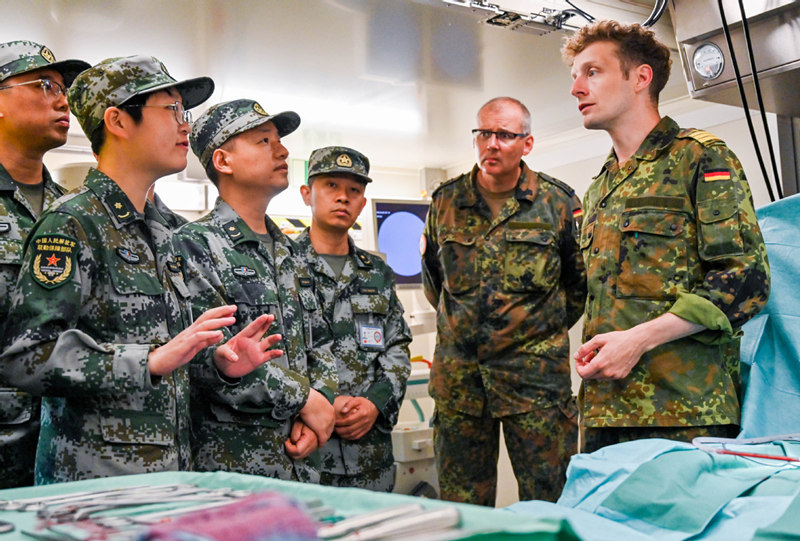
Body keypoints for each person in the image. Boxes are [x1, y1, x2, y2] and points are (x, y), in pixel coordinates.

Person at [1, 56, 280, 484]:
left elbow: (175, 357)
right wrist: (147, 361)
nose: (185, 125)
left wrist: (218, 362)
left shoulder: (170, 232)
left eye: (184, 113)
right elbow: (25, 357)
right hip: (95, 484)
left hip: (174, 475)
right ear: (117, 121)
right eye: (170, 111)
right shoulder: (73, 223)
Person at [562, 20, 770, 453]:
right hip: (604, 413)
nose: (576, 88)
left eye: (592, 72)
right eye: (574, 76)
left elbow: (744, 280)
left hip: (685, 412)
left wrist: (637, 341)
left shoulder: (698, 157)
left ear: (640, 78)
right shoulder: (599, 189)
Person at [421, 97, 586, 505]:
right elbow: (434, 284)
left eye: (505, 135)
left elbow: (577, 288)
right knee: (462, 507)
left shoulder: (558, 203)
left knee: (550, 502)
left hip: (535, 386)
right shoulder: (445, 202)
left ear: (526, 144)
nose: (492, 144)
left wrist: (530, 335)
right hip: (461, 385)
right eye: (484, 133)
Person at [176, 99, 336, 482]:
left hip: (301, 463)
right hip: (236, 467)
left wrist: (321, 406)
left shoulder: (293, 251)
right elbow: (209, 357)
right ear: (223, 161)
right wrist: (304, 399)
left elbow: (323, 339)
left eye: (279, 141)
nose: (282, 151)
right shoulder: (194, 245)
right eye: (263, 141)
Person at [0, 40, 89, 489]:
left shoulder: (72, 211)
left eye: (64, 88)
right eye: (44, 85)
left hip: (67, 446)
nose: (62, 99)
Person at [297, 146, 411, 492]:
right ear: (307, 194)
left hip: (370, 456)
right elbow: (275, 352)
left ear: (363, 203)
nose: (343, 198)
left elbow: (397, 345)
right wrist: (320, 401)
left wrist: (375, 402)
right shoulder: (281, 266)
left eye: (354, 191)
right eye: (331, 185)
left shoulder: (377, 272)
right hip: (308, 456)